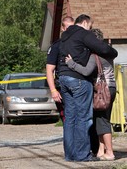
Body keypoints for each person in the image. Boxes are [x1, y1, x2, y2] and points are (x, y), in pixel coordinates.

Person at [58, 14, 118, 162]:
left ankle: (71, 154)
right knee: (85, 119)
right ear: (85, 23)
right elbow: (100, 53)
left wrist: (70, 63)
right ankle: (83, 154)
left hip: (64, 78)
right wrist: (113, 52)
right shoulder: (84, 35)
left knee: (71, 119)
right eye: (89, 26)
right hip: (80, 82)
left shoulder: (65, 36)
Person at [46, 16, 74, 122]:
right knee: (66, 118)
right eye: (68, 28)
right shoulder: (56, 46)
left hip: (77, 85)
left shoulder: (78, 44)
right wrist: (53, 90)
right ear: (63, 28)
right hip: (62, 87)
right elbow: (49, 70)